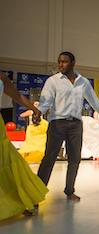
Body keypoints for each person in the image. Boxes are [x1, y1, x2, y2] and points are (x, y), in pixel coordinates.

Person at [37, 51, 99, 201]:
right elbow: (45, 100)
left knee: (74, 159)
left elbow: (93, 100)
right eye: (59, 62)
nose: (60, 65)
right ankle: (36, 195)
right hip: (57, 123)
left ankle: (69, 191)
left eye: (64, 62)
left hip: (76, 125)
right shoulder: (53, 81)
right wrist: (38, 113)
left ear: (72, 63)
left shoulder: (82, 82)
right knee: (49, 159)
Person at [0, 72, 48, 220]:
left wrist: (34, 109)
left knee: (7, 161)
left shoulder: (1, 76)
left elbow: (17, 96)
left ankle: (22, 200)